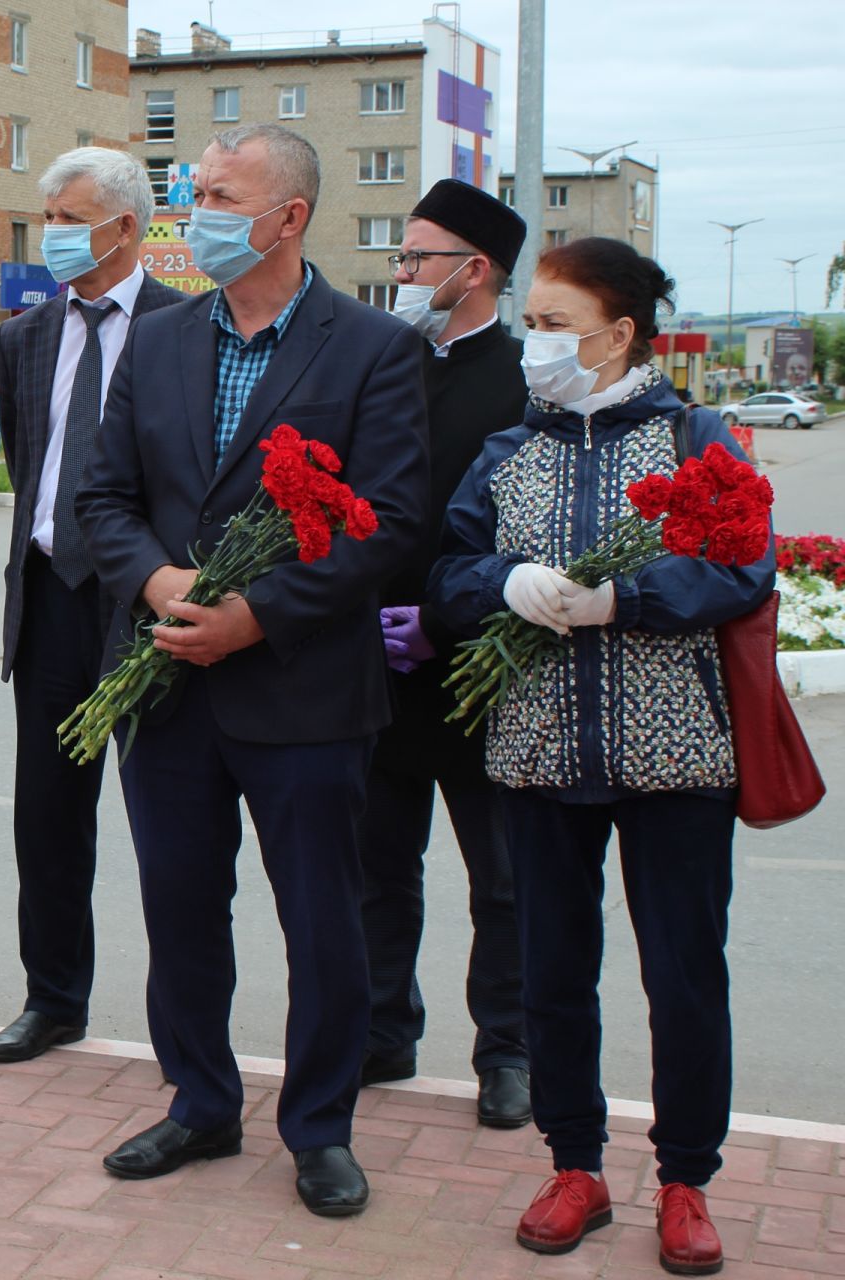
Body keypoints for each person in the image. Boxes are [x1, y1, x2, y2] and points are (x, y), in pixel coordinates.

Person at [75, 124, 428, 1215]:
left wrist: (257, 615)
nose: (195, 216)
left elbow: (392, 523)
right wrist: (160, 585)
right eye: (192, 195)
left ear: (287, 217)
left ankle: (319, 1125)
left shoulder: (373, 347)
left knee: (323, 920)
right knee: (182, 908)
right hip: (168, 680)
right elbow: (103, 497)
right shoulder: (164, 339)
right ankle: (200, 1101)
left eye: (219, 195)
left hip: (306, 692)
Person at [429, 238, 772, 1275]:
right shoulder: (507, 453)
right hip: (536, 751)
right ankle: (575, 1163)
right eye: (530, 322)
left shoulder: (697, 439)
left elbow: (744, 570)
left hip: (675, 756)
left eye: (553, 325)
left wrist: (630, 596)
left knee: (683, 971)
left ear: (618, 335)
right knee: (553, 973)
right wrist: (504, 583)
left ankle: (685, 1180)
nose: (535, 343)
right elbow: (446, 576)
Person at [0, 147, 185, 1066]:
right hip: (52, 601)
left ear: (127, 228)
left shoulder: (187, 327)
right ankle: (53, 997)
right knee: (49, 817)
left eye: (71, 219)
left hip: (148, 609)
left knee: (170, 827)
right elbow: (34, 470)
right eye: (49, 218)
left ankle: (183, 1022)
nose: (53, 235)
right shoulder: (24, 336)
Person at [359, 179, 531, 1127]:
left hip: (483, 672)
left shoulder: (522, 379)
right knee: (378, 867)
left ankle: (507, 1050)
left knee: (502, 878)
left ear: (474, 270)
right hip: (376, 665)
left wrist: (451, 622)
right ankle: (385, 1030)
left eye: (415, 257)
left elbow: (534, 532)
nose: (402, 275)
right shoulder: (382, 362)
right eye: (399, 258)